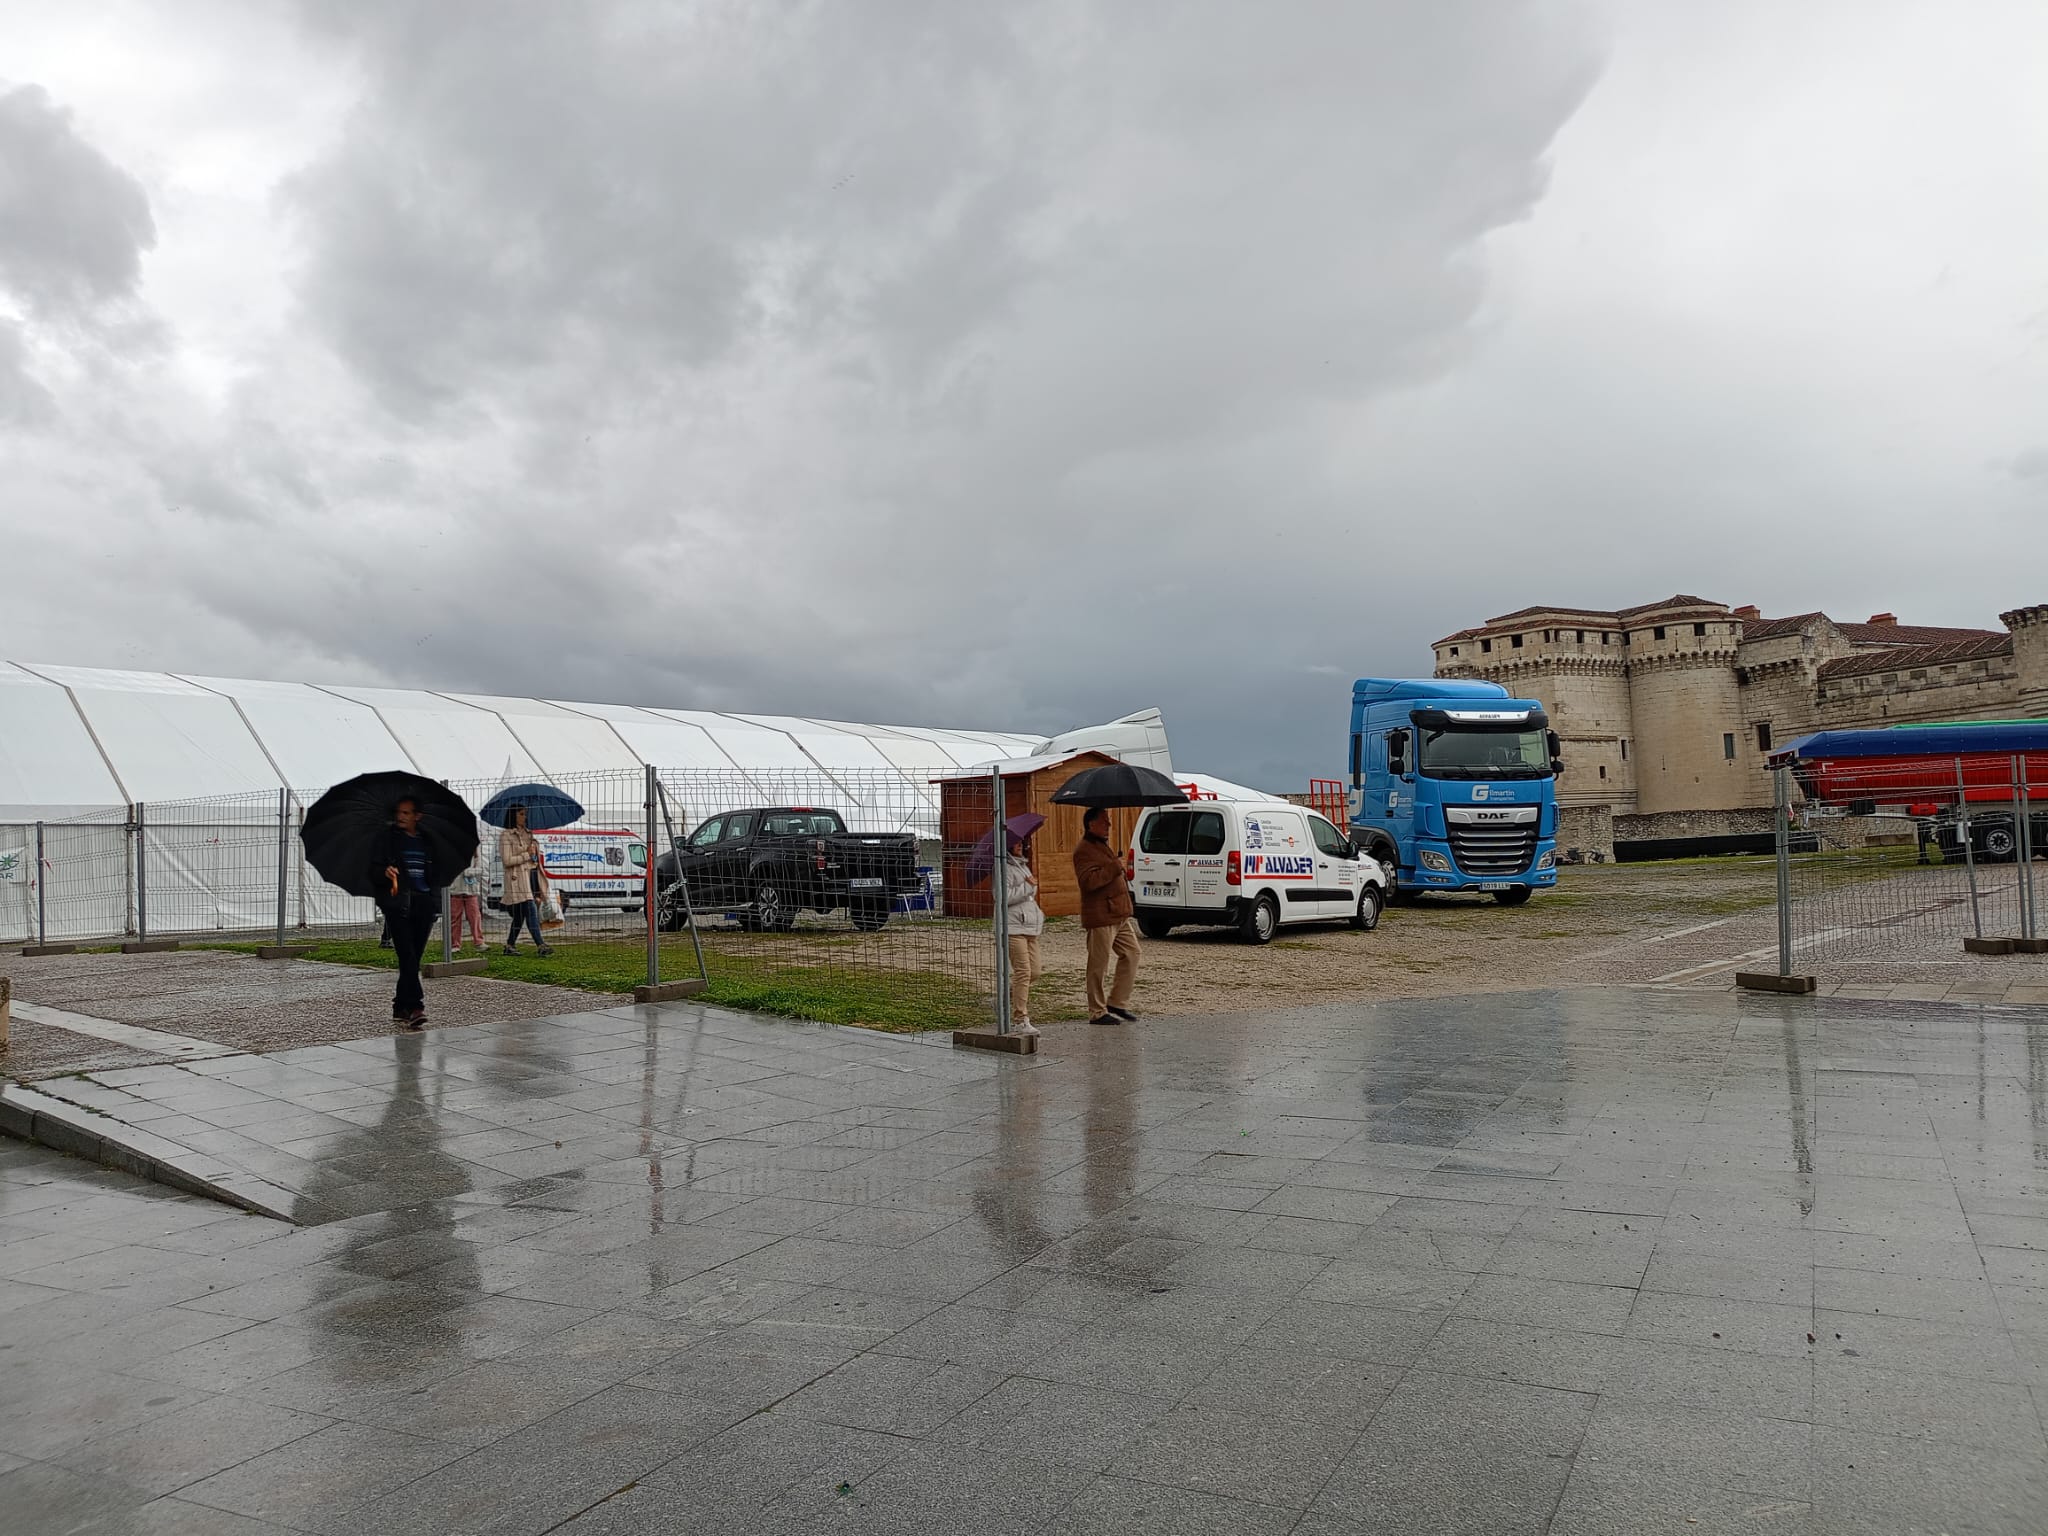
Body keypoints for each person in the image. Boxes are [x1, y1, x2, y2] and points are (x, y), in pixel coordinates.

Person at [368, 795, 445, 1028]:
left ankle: (400, 1005)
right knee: (408, 956)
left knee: (414, 957)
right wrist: (385, 871)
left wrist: (434, 902)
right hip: (398, 903)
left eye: (406, 813)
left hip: (424, 902)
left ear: (417, 816)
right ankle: (415, 1006)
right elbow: (372, 868)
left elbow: (437, 872)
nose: (401, 817)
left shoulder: (427, 840)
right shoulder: (387, 840)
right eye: (399, 813)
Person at [1073, 806, 1140, 1026]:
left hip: (1119, 913)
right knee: (1098, 965)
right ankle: (1097, 1011)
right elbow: (1088, 883)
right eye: (1104, 821)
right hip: (1101, 915)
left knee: (1132, 953)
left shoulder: (1101, 845)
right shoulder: (1083, 850)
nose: (1109, 825)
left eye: (1109, 821)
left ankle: (1117, 1002)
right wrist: (1114, 866)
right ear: (1091, 824)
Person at [1003, 830, 1044, 1036]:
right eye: (1015, 842)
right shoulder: (1003, 868)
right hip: (1013, 926)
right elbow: (1002, 896)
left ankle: (1007, 999)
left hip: (1029, 925)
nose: (1020, 844)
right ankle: (1020, 1018)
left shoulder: (1022, 865)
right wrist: (1027, 887)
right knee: (1023, 971)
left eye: (1021, 841)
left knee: (1034, 971)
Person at [498, 804, 553, 956]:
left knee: (519, 916)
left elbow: (533, 860)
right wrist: (526, 854)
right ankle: (540, 944)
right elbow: (507, 860)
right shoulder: (506, 835)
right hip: (516, 880)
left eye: (525, 814)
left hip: (529, 878)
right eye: (521, 814)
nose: (524, 817)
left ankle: (509, 945)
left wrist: (534, 851)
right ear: (513, 815)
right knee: (530, 910)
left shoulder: (529, 834)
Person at [450, 839, 487, 952]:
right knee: (455, 917)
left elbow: (481, 869)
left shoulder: (476, 853)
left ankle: (479, 941)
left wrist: (470, 871)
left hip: (471, 890)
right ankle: (455, 944)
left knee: (474, 916)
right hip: (456, 890)